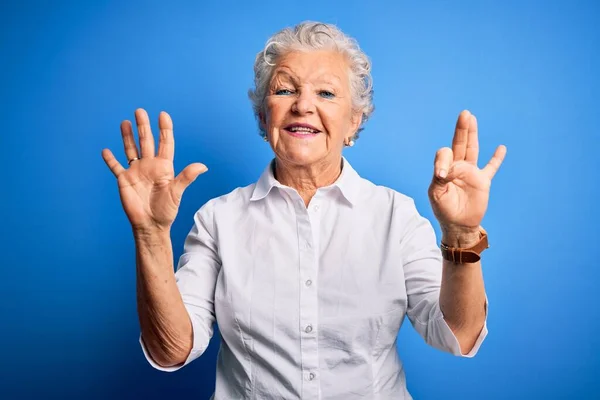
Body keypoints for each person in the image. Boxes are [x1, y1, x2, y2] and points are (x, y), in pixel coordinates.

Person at [101, 21, 506, 400]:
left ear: (354, 121)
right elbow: (171, 350)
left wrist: (462, 235)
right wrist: (150, 236)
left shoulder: (395, 215)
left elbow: (458, 334)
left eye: (326, 93)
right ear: (264, 116)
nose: (302, 106)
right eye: (284, 90)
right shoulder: (217, 220)